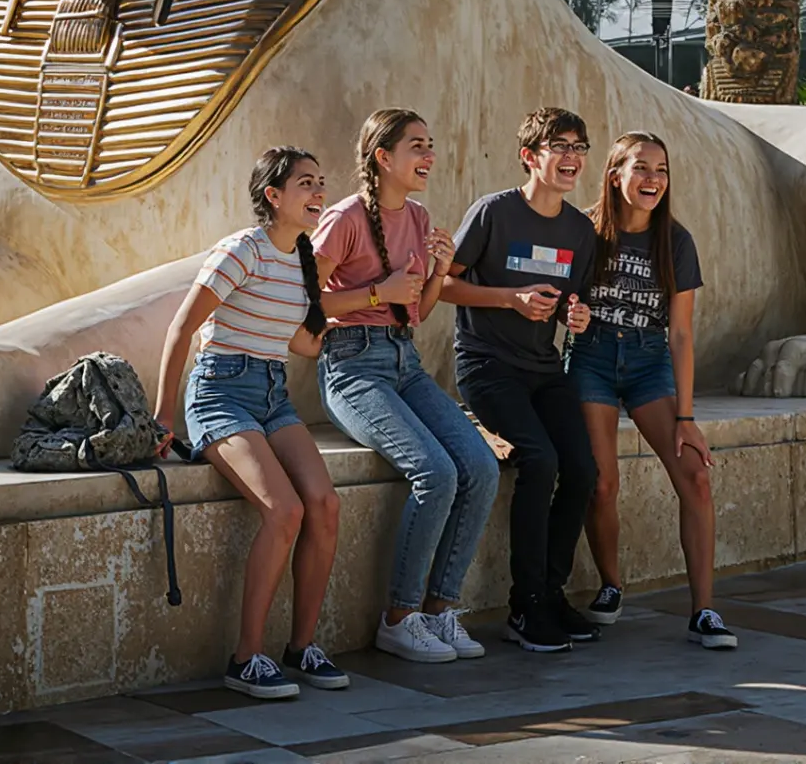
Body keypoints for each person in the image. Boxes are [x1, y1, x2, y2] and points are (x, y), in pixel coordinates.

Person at [152, 148, 351, 700]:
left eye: (321, 183)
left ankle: (302, 648)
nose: (318, 193)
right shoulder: (243, 250)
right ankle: (246, 658)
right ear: (274, 196)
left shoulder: (302, 257)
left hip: (272, 394)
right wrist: (163, 417)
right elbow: (181, 328)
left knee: (326, 506)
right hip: (219, 391)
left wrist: (366, 304)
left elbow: (300, 344)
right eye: (306, 184)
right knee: (284, 511)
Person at [313, 109, 498, 665]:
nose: (428, 157)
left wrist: (439, 272)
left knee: (481, 467)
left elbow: (416, 309)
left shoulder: (417, 216)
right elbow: (305, 301)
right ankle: (398, 617)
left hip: (405, 361)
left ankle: (440, 611)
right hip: (350, 366)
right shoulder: (344, 218)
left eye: (430, 145)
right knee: (435, 472)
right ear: (383, 157)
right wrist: (376, 294)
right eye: (417, 146)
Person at [438, 106, 599, 653]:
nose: (572, 157)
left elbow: (567, 303)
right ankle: (525, 605)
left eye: (580, 147)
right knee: (541, 459)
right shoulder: (493, 214)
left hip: (544, 370)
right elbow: (442, 287)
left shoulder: (580, 229)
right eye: (561, 146)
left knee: (582, 468)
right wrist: (509, 298)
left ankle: (551, 595)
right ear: (531, 156)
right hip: (486, 366)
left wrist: (575, 316)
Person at [570, 133, 736, 650]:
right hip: (592, 359)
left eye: (661, 170)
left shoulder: (675, 240)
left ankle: (704, 610)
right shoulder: (583, 231)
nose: (653, 180)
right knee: (601, 484)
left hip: (648, 363)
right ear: (615, 174)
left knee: (696, 477)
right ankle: (612, 585)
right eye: (641, 168)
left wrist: (686, 416)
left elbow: (681, 333)